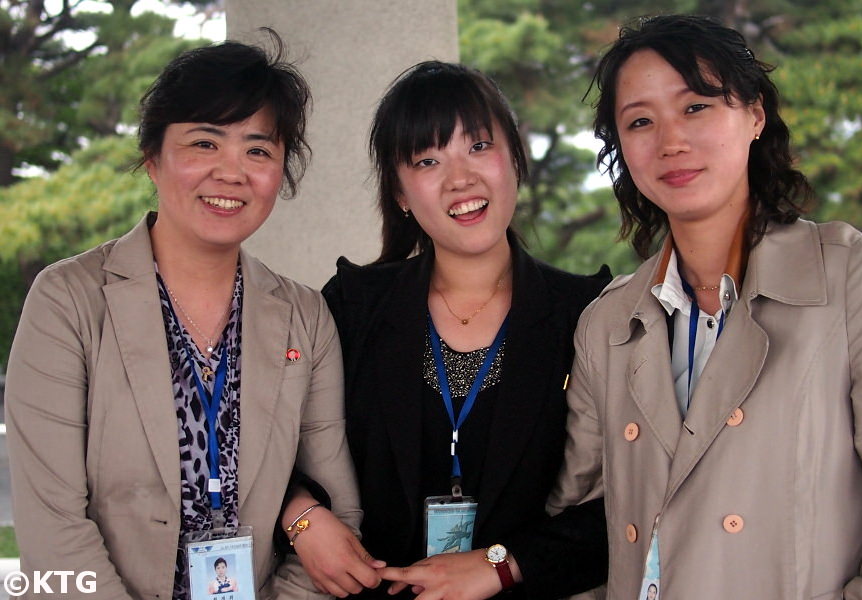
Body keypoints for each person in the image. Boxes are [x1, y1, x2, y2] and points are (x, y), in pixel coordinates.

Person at [542, 14, 862, 599]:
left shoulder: (851, 277)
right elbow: (577, 524)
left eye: (696, 106)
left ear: (755, 115)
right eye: (640, 121)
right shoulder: (609, 321)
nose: (670, 140)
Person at [4, 31, 378, 599]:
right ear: (153, 159)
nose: (232, 172)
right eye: (205, 143)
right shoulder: (69, 301)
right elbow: (52, 530)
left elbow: (337, 508)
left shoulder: (305, 315)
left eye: (258, 149)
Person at [280, 61, 611, 599]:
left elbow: (635, 497)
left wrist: (502, 564)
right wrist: (302, 517)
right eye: (428, 160)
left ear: (514, 161)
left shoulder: (588, 314)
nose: (461, 179)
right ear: (402, 195)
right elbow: (267, 443)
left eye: (479, 147)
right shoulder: (351, 308)